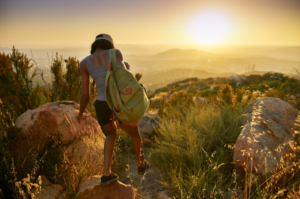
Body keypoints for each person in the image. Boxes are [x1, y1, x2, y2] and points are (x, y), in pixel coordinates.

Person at [77, 33, 149, 186]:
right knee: (135, 135)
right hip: (118, 104)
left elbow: (85, 95)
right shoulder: (115, 53)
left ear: (94, 45)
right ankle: (142, 165)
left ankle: (106, 174)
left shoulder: (84, 63)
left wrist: (80, 114)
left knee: (111, 133)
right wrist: (127, 68)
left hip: (102, 105)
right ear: (110, 44)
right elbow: (124, 80)